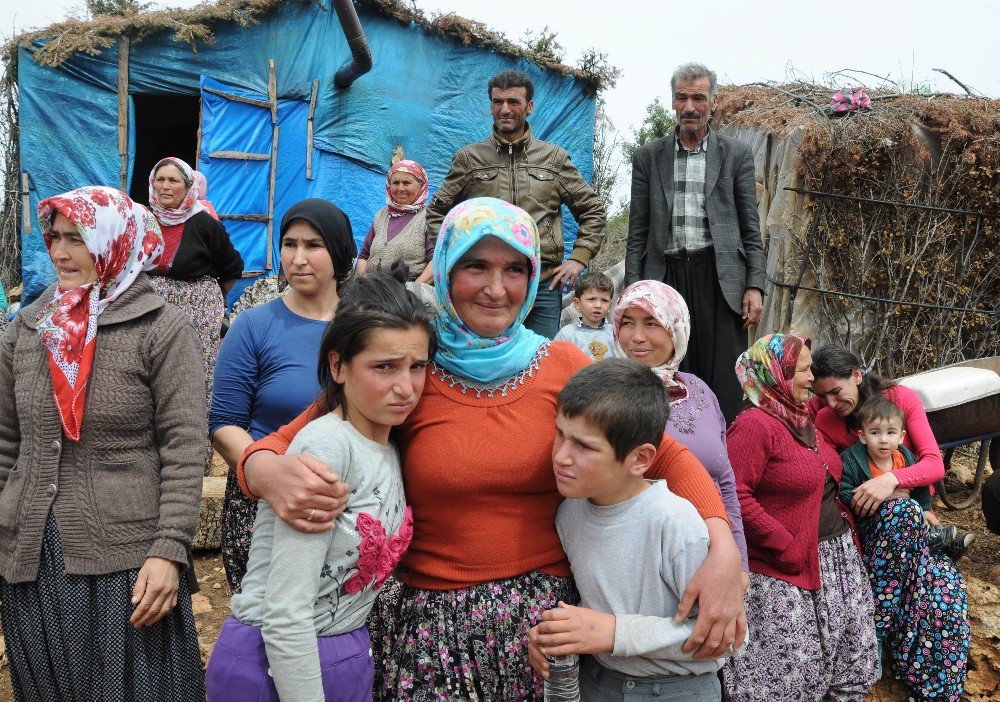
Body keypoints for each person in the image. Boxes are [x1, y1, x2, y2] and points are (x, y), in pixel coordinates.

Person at [236, 197, 745, 701]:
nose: (496, 289)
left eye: (514, 270)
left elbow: (666, 454)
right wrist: (266, 473)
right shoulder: (408, 369)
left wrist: (721, 548)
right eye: (476, 266)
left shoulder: (563, 365)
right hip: (433, 636)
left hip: (545, 635)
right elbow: (275, 445)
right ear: (446, 270)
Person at [0, 186, 206, 700]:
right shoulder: (26, 329)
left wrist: (169, 550)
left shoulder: (159, 328)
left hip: (126, 564)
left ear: (114, 242)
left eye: (79, 239)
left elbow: (184, 449)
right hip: (33, 561)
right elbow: (7, 444)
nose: (60, 253)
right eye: (55, 238)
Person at [206, 270, 435, 702]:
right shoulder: (328, 447)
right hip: (277, 667)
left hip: (340, 656)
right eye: (383, 367)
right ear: (338, 365)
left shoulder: (387, 445)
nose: (406, 387)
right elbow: (286, 612)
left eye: (417, 367)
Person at [528, 359, 734, 702]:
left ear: (639, 459)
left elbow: (726, 641)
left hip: (676, 691)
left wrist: (615, 633)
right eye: (560, 435)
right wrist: (559, 634)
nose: (561, 456)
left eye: (585, 446)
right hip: (596, 682)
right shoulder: (569, 513)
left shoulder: (675, 523)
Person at [210, 199, 357, 592]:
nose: (298, 258)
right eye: (289, 244)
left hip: (350, 505)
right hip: (265, 504)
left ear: (339, 251)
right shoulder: (254, 326)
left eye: (313, 245)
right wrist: (271, 476)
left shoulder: (365, 328)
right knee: (272, 631)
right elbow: (224, 423)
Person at [723, 333, 879, 701]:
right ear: (777, 372)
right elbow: (733, 495)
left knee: (849, 665)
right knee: (787, 676)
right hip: (786, 567)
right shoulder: (754, 425)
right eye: (804, 370)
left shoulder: (799, 417)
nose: (812, 378)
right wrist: (784, 543)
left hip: (835, 558)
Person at [811, 345, 970, 701]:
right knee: (903, 515)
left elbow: (933, 464)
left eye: (836, 392)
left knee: (947, 593)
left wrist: (893, 481)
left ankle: (936, 693)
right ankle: (878, 632)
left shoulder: (901, 400)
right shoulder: (826, 420)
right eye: (822, 396)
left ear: (856, 375)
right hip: (870, 529)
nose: (831, 404)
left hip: (912, 520)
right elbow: (841, 488)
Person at [624, 63, 765, 422]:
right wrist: (632, 292)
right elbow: (637, 231)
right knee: (666, 372)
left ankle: (726, 460)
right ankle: (671, 450)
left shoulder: (735, 154)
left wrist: (754, 284)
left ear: (712, 103)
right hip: (665, 279)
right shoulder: (649, 156)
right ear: (672, 101)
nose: (690, 107)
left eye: (698, 98)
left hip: (720, 278)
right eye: (682, 97)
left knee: (724, 379)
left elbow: (751, 227)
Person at [425, 70, 607, 339]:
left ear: (529, 107)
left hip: (542, 284)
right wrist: (459, 257)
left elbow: (592, 209)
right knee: (485, 360)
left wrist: (578, 259)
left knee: (536, 362)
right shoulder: (469, 159)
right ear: (490, 107)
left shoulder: (553, 159)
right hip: (484, 285)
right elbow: (437, 213)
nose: (505, 109)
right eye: (498, 102)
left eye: (514, 102)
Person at [612, 280, 748, 572]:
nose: (636, 337)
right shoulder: (604, 395)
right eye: (628, 323)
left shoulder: (699, 390)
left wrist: (738, 561)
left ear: (677, 329)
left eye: (651, 323)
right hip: (638, 565)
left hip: (713, 556)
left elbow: (725, 482)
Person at [147, 156, 244, 426]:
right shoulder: (143, 219)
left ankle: (192, 443)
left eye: (173, 180)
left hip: (196, 311)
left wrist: (213, 299)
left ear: (188, 186)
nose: (165, 186)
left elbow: (232, 266)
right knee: (150, 371)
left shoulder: (204, 223)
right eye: (160, 180)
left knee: (191, 374)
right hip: (150, 308)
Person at [841, 396, 973, 560]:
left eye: (891, 433)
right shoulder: (851, 460)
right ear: (862, 436)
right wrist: (883, 500)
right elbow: (843, 492)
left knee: (916, 518)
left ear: (901, 436)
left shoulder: (904, 457)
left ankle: (945, 550)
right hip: (872, 525)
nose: (883, 439)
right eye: (875, 433)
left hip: (908, 521)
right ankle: (932, 545)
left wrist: (924, 509)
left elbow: (920, 487)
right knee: (906, 512)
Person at [356, 160, 434, 283]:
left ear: (421, 185)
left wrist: (413, 290)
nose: (400, 188)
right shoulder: (382, 215)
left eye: (407, 183)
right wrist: (363, 282)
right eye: (395, 183)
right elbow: (364, 256)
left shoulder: (429, 217)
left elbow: (436, 261)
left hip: (409, 294)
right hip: (373, 290)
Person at [553, 271, 616, 361]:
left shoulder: (615, 333)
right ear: (577, 303)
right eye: (591, 299)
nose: (598, 305)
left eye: (604, 300)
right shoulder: (567, 335)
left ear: (610, 305)